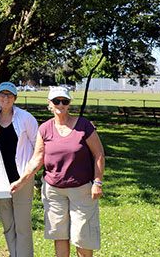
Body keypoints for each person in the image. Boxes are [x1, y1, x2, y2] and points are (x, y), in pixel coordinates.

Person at [11, 86, 105, 257]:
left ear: (69, 103)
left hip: (81, 189)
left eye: (64, 101)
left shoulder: (84, 126)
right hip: (53, 191)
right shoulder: (45, 129)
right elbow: (37, 158)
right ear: (49, 104)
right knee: (59, 234)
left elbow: (98, 153)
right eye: (56, 101)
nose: (60, 104)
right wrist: (21, 180)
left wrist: (97, 182)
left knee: (82, 235)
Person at [0, 82, 39, 257]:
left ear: (15, 98)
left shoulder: (25, 118)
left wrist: (30, 173)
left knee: (22, 225)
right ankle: (14, 254)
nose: (6, 98)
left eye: (9, 95)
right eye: (2, 95)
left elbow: (38, 147)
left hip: (21, 178)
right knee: (7, 224)